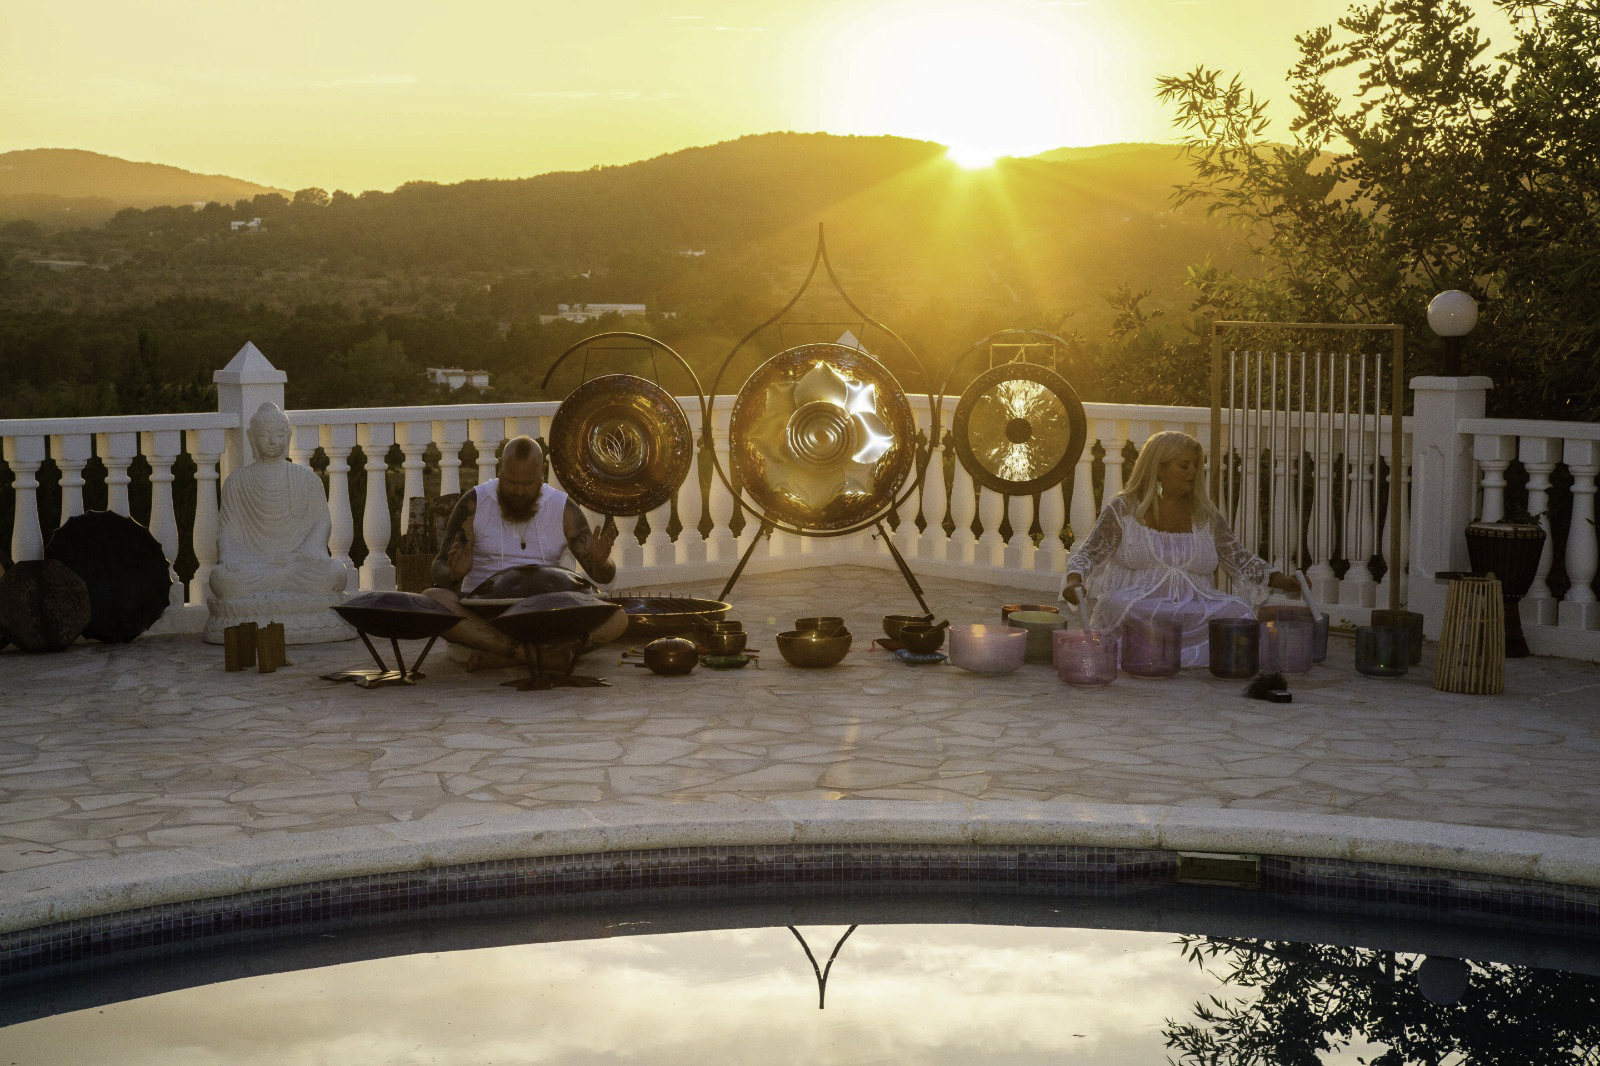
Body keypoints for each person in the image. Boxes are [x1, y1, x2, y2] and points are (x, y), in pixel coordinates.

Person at [1061, 430, 1300, 668]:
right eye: (1184, 465)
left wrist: (1283, 581)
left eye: (1195, 466)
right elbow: (1089, 552)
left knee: (1237, 610)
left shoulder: (1205, 515)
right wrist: (1074, 580)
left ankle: (1189, 653)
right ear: (1159, 468)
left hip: (1196, 603)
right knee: (1120, 605)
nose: (1193, 472)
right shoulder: (1124, 508)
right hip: (1138, 605)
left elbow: (1238, 557)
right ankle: (1151, 652)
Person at [424, 436, 627, 667]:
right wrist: (453, 573)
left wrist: (601, 562)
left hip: (545, 616)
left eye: (528, 484)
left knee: (618, 617)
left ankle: (502, 656)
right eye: (511, 482)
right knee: (433, 599)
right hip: (487, 615)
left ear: (542, 471)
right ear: (500, 467)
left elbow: (604, 577)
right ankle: (532, 654)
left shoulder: (564, 509)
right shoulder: (474, 503)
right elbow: (438, 567)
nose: (518, 491)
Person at [205, 402, 352, 643]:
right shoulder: (238, 481)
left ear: (289, 436)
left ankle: (270, 600)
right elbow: (228, 531)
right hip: (255, 566)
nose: (273, 441)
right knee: (222, 579)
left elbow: (321, 523)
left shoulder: (307, 479)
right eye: (264, 435)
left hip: (296, 564)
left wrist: (303, 554)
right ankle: (286, 599)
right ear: (252, 438)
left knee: (335, 573)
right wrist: (231, 556)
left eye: (280, 434)